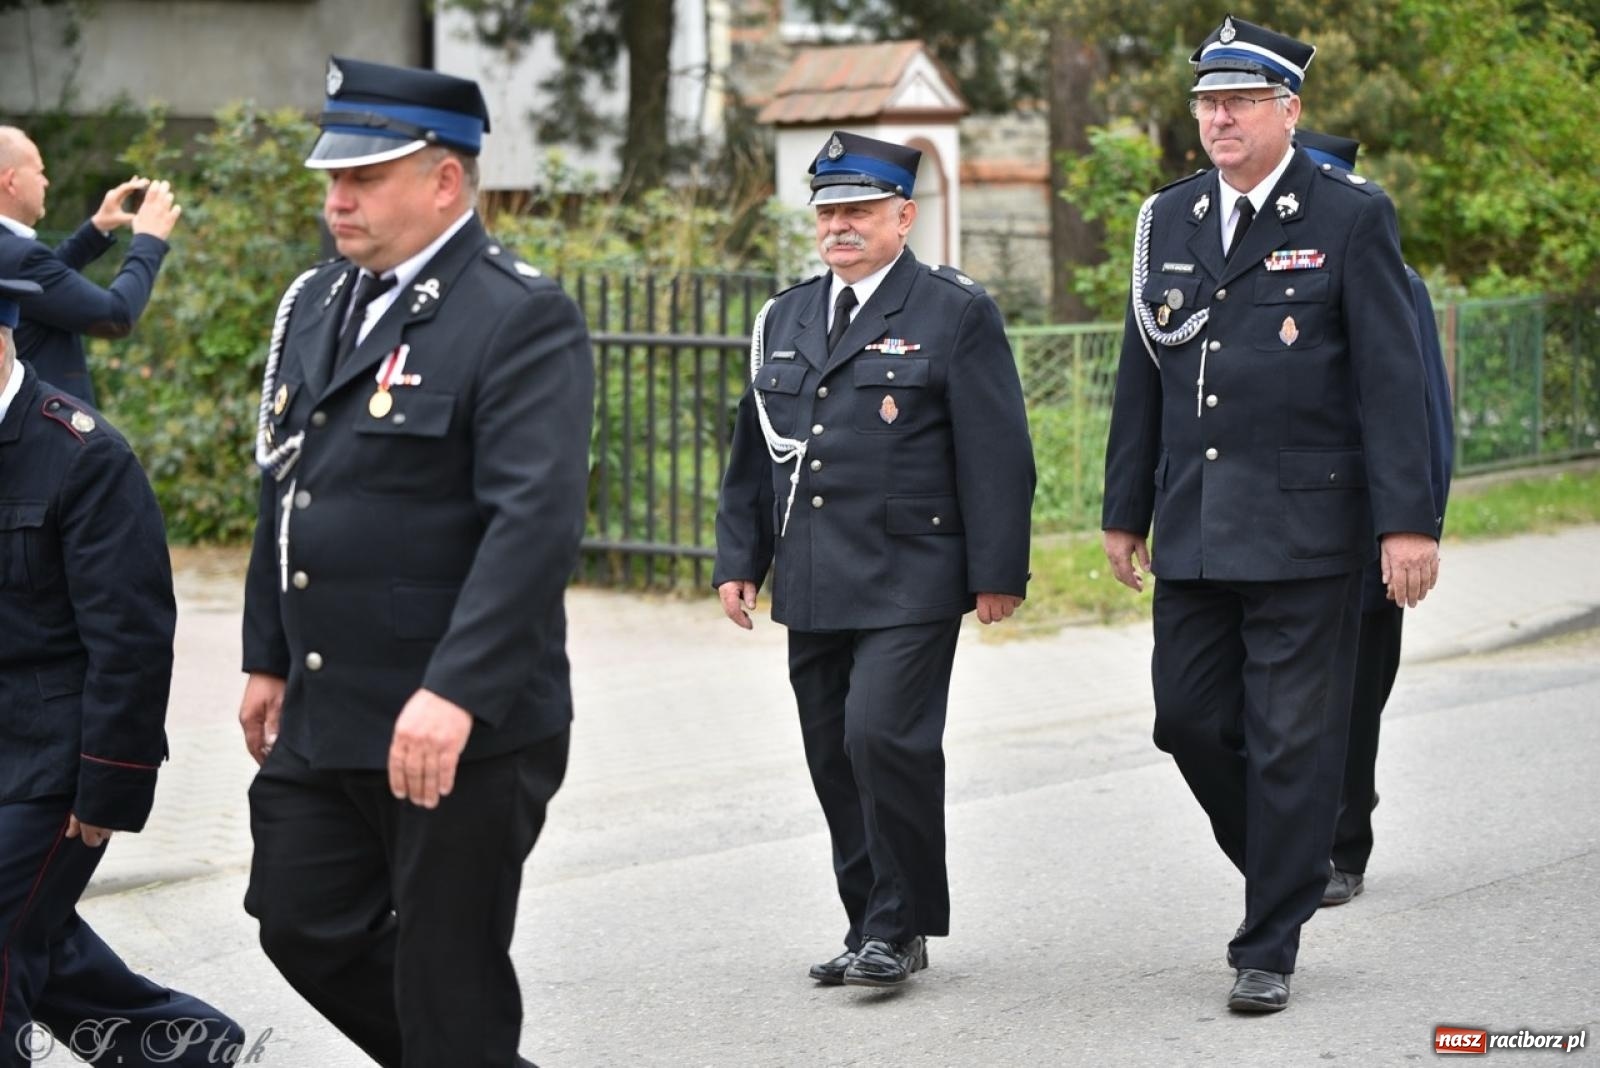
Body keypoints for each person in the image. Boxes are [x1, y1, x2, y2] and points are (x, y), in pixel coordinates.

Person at [237, 57, 594, 1068]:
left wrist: (455, 690)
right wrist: (266, 651)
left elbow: (533, 522)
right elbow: (287, 486)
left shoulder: (515, 313)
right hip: (327, 703)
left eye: (364, 179)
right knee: (299, 915)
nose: (336, 199)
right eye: (332, 180)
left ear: (444, 180)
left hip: (460, 722)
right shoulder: (319, 301)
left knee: (449, 980)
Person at [1101, 15, 1441, 1013]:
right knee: (1186, 721)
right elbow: (1143, 377)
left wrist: (1406, 523)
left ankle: (1267, 942)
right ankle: (1285, 862)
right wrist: (1124, 511)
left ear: (1286, 110)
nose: (1217, 117)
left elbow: (1391, 380)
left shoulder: (1347, 215)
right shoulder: (1167, 220)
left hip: (1308, 532)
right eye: (1206, 102)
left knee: (1292, 740)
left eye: (1238, 101)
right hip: (1196, 522)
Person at [714, 130, 1035, 989]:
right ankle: (869, 922)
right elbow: (756, 452)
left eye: (858, 209)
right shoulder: (783, 317)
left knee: (881, 736)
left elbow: (998, 453)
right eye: (828, 211)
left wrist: (997, 571)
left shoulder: (953, 313)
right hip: (814, 572)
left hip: (912, 572)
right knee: (832, 754)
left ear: (904, 214)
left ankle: (899, 923)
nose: (840, 226)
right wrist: (737, 558)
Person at [0, 277, 244, 1065]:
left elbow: (132, 639)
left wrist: (107, 783)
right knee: (38, 941)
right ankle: (187, 1050)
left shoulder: (85, 455)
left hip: (53, 765)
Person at [1293, 131, 1455, 908]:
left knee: (1354, 697)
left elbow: (1424, 416)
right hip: (1287, 527)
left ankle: (1342, 846)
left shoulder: (1397, 281)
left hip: (1367, 534)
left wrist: (1418, 527)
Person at [0, 126, 182, 404]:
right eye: (39, 172)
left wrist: (97, 229)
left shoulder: (11, 253)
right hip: (46, 440)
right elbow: (115, 315)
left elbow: (41, 288)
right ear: (11, 182)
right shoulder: (19, 256)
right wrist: (149, 239)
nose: (46, 182)